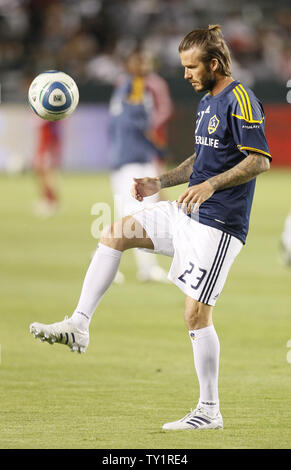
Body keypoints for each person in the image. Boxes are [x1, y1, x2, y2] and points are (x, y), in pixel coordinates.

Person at [30, 25, 271, 430]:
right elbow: (200, 159)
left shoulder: (242, 99)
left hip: (218, 225)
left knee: (195, 316)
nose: (186, 74)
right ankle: (79, 324)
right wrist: (160, 183)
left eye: (191, 67)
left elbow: (260, 159)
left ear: (214, 64)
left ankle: (209, 411)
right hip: (184, 211)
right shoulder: (208, 102)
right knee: (114, 233)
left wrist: (210, 185)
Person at [108, 48, 173, 282]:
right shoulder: (133, 86)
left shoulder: (129, 86)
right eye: (139, 61)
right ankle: (131, 266)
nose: (144, 65)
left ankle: (136, 266)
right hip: (132, 160)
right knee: (138, 216)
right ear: (129, 64)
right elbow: (134, 123)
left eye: (146, 61)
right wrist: (156, 147)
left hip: (131, 159)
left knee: (136, 216)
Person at [33, 118, 62, 217]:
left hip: (48, 140)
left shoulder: (49, 109)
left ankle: (50, 201)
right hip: (44, 139)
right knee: (41, 169)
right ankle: (47, 198)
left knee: (46, 170)